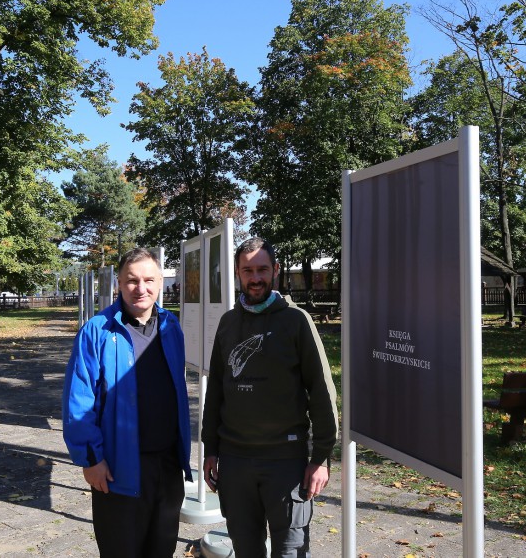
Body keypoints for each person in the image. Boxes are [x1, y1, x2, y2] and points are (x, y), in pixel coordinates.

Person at [202, 237, 338, 558]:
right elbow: (216, 392)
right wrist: (211, 449)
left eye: (262, 269)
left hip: (286, 463)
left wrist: (320, 459)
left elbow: (321, 392)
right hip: (235, 465)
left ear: (275, 270)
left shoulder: (296, 321)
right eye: (248, 270)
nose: (256, 278)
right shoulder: (227, 323)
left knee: (290, 552)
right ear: (238, 273)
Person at [62, 248, 192, 558]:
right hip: (118, 470)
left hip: (168, 466)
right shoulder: (97, 331)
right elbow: (78, 402)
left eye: (149, 280)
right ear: (119, 283)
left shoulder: (171, 327)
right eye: (132, 280)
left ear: (160, 282)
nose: (141, 288)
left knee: (161, 551)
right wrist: (91, 459)